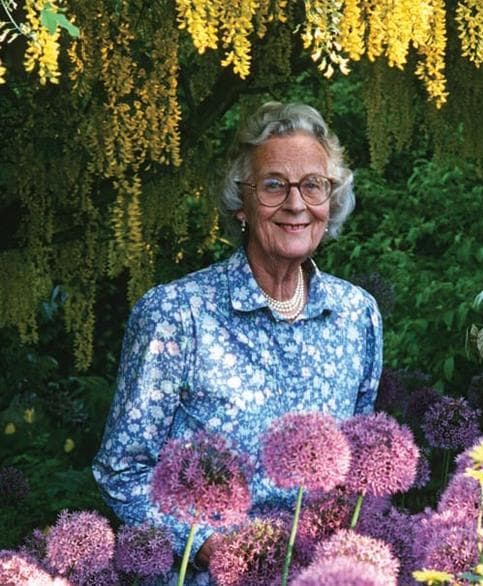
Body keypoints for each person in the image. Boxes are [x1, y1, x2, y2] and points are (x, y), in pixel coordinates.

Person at [92, 102, 383, 577]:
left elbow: (356, 467)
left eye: (313, 185)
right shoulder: (177, 314)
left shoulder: (356, 316)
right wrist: (206, 544)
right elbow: (121, 471)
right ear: (240, 204)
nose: (295, 204)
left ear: (330, 204)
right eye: (274, 185)